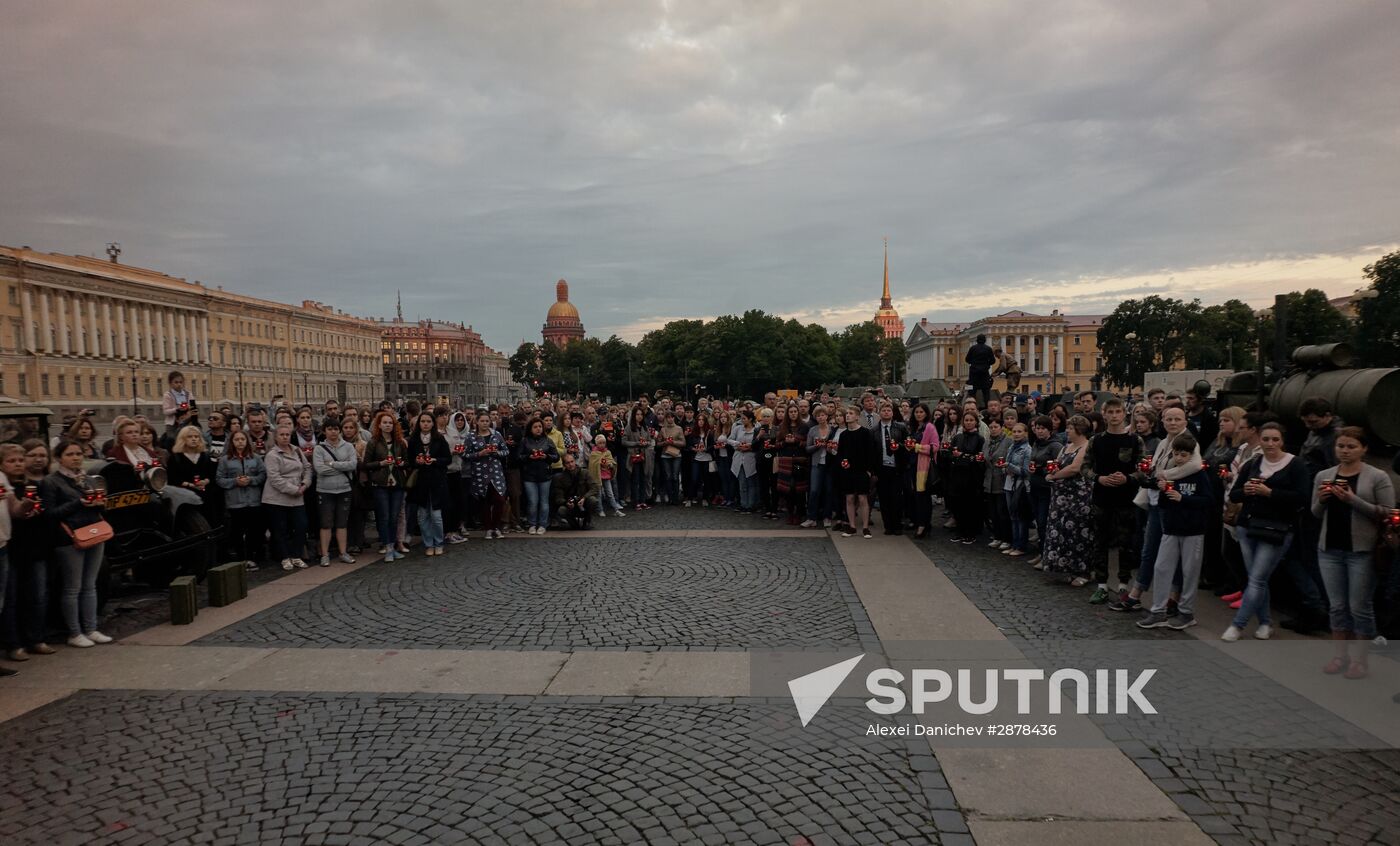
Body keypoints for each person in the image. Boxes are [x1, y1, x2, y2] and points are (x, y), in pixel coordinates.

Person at [1311, 427, 1395, 678]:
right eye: (1341, 446)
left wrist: (1352, 500)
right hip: (1330, 549)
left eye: (1351, 447)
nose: (1345, 451)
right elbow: (1314, 512)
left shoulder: (1377, 476)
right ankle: (1340, 656)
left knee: (1359, 606)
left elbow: (1387, 512)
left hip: (1362, 550)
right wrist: (1323, 499)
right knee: (1337, 606)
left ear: (1364, 449)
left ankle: (1361, 660)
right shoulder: (1324, 475)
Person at [1223, 422, 1310, 642]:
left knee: (1258, 578)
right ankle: (1264, 623)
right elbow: (1234, 494)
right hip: (1248, 526)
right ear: (1260, 440)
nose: (1270, 444)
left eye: (1275, 439)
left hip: (1276, 529)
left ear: (1282, 441)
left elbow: (1301, 498)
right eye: (1266, 439)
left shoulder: (1295, 465)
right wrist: (1248, 491)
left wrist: (1270, 493)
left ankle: (1237, 625)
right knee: (1256, 578)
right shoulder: (1253, 463)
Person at [1136, 433, 1214, 630]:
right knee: (1161, 568)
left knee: (1189, 572)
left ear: (1191, 455)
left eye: (1184, 455)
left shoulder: (1199, 474)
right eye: (1177, 454)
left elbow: (1207, 501)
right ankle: (1158, 610)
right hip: (1171, 528)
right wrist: (1162, 490)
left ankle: (1186, 612)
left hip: (1193, 530)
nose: (1179, 458)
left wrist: (1183, 499)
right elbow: (1163, 503)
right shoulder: (1170, 473)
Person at [42, 439, 112, 648]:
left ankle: (91, 628)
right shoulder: (52, 481)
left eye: (78, 454)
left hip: (93, 532)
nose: (75, 458)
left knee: (90, 585)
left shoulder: (88, 479)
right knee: (73, 587)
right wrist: (78, 502)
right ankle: (74, 632)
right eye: (70, 454)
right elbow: (50, 513)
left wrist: (100, 504)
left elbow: (99, 509)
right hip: (69, 538)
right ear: (59, 458)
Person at [1283, 397, 1343, 635]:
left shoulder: (1334, 438)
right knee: (1301, 557)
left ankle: (1317, 607)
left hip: (1317, 505)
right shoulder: (1317, 433)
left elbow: (1334, 471)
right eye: (1307, 422)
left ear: (1327, 416)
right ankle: (1314, 605)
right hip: (1307, 500)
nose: (1310, 426)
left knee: (1309, 559)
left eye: (1314, 422)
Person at [1084, 398, 1146, 596]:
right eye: (1110, 412)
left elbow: (1144, 469)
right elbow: (1085, 467)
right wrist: (1098, 478)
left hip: (1126, 498)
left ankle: (1123, 583)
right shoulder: (1096, 440)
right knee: (1100, 540)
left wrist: (1128, 478)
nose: (1114, 416)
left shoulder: (1135, 440)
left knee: (1125, 542)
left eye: (1117, 412)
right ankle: (1102, 583)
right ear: (1104, 414)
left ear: (1124, 414)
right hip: (1102, 497)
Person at [1, 442, 51, 667]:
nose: (18, 464)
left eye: (20, 460)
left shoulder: (30, 485)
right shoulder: (4, 483)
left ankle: (36, 638)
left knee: (37, 596)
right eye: (12, 461)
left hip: (30, 547)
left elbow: (20, 511)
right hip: (11, 548)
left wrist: (31, 507)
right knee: (10, 600)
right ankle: (13, 644)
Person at [1042, 415, 1094, 578]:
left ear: (1079, 430)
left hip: (1077, 497)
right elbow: (1057, 463)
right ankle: (1064, 567)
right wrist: (1051, 471)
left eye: (1070, 428)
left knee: (1077, 533)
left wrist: (1054, 476)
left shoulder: (1086, 446)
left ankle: (1081, 570)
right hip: (1060, 497)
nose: (1067, 431)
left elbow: (1075, 468)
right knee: (1061, 531)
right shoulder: (1066, 447)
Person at [263, 424, 312, 572]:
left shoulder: (296, 450)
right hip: (277, 497)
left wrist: (305, 484)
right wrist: (294, 490)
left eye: (287, 434)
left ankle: (296, 555)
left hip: (298, 494)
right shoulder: (272, 455)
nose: (285, 437)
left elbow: (307, 467)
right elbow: (274, 478)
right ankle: (285, 557)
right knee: (280, 529)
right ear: (276, 437)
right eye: (282, 435)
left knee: (301, 525)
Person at [217, 430, 266, 571]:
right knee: (237, 531)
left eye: (242, 439)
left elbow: (262, 475)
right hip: (235, 501)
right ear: (232, 442)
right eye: (237, 439)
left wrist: (251, 480)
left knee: (253, 531)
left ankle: (251, 557)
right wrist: (234, 481)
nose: (240, 442)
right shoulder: (225, 460)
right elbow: (219, 479)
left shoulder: (255, 458)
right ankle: (240, 558)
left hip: (253, 499)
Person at [312, 418, 359, 567]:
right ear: (324, 431)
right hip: (325, 490)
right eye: (330, 429)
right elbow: (320, 469)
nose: (333, 432)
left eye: (336, 429)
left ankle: (343, 552)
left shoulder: (349, 446)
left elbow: (352, 465)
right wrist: (341, 467)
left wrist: (332, 464)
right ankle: (325, 555)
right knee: (326, 523)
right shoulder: (319, 449)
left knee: (341, 523)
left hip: (344, 489)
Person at [363, 411, 408, 560]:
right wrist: (380, 464)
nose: (387, 425)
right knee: (384, 516)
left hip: (397, 483)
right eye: (385, 423)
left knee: (394, 517)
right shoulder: (373, 442)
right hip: (380, 484)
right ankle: (387, 547)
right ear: (379, 425)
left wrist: (402, 463)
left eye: (390, 423)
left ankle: (393, 546)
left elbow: (407, 462)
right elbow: (366, 464)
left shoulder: (399, 442)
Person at [405, 411, 451, 555]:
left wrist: (435, 460)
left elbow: (447, 459)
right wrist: (416, 462)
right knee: (423, 516)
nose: (425, 424)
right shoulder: (413, 440)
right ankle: (428, 543)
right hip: (420, 482)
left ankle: (439, 542)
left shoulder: (439, 439)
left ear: (433, 423)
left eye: (428, 421)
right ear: (419, 424)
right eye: (423, 421)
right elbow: (409, 461)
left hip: (437, 481)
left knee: (436, 516)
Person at [464, 413, 510, 538]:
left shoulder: (496, 434)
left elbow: (506, 450)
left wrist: (497, 453)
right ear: (477, 422)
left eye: (487, 421)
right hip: (479, 472)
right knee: (484, 501)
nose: (485, 423)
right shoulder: (470, 436)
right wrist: (479, 454)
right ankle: (488, 528)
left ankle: (496, 526)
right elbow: (465, 454)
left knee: (499, 499)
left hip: (495, 471)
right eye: (482, 421)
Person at [945, 410, 986, 545]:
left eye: (971, 420)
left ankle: (970, 533)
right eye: (966, 420)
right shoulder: (958, 437)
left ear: (976, 422)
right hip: (957, 475)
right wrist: (956, 456)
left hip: (972, 477)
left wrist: (964, 456)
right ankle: (960, 530)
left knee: (970, 506)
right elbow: (950, 453)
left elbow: (979, 458)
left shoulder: (980, 439)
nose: (968, 423)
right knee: (957, 505)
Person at [834, 408, 876, 538]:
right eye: (847, 413)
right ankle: (852, 526)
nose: (848, 416)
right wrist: (841, 462)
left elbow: (871, 453)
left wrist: (869, 471)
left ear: (857, 417)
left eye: (851, 414)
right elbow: (840, 453)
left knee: (863, 498)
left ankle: (865, 527)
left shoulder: (865, 433)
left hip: (862, 471)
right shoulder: (844, 435)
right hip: (847, 471)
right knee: (849, 498)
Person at [518, 417, 559, 535]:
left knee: (544, 501)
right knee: (532, 501)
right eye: (535, 427)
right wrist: (528, 457)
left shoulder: (548, 440)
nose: (538, 429)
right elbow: (518, 457)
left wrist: (546, 457)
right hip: (529, 475)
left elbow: (556, 456)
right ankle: (532, 524)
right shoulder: (525, 441)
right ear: (530, 429)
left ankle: (542, 524)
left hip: (545, 475)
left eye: (540, 426)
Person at [1002, 422, 1032, 556]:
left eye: (1019, 431)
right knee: (1012, 516)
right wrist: (1004, 468)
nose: (1016, 434)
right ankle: (1014, 543)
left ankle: (1021, 546)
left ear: (1025, 433)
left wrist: (1009, 466)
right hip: (1009, 484)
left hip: (1020, 486)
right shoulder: (1011, 447)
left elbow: (1026, 471)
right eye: (1014, 431)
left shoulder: (1027, 449)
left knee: (1021, 517)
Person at [983, 418, 1011, 549]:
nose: (993, 429)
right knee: (993, 512)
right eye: (991, 427)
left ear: (1001, 427)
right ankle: (997, 536)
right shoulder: (987, 442)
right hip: (989, 481)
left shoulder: (1008, 442)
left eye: (996, 427)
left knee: (1002, 512)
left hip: (1002, 480)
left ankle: (1006, 537)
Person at [552, 453, 597, 530]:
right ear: (564, 465)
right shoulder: (560, 478)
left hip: (584, 502)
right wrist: (566, 502)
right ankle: (573, 523)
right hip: (571, 504)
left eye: (572, 461)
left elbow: (594, 488)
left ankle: (588, 520)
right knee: (561, 510)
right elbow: (558, 497)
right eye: (567, 463)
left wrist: (584, 498)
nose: (571, 464)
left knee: (593, 500)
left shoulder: (585, 472)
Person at [729, 409, 759, 514]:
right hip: (738, 458)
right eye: (741, 418)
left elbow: (757, 444)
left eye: (744, 419)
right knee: (742, 484)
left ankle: (751, 505)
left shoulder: (756, 429)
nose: (742, 420)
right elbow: (730, 439)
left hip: (750, 459)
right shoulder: (737, 428)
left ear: (750, 419)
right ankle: (743, 504)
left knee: (751, 483)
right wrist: (738, 444)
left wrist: (749, 447)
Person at [589, 434, 625, 518]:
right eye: (600, 443)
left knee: (610, 493)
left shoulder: (608, 452)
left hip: (606, 476)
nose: (602, 445)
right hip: (597, 477)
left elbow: (612, 462)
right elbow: (592, 465)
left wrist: (610, 465)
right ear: (596, 444)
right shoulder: (594, 453)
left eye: (603, 443)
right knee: (599, 494)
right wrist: (599, 463)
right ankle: (600, 510)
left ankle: (616, 509)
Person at [161, 370, 198, 442]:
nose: (179, 384)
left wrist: (189, 408)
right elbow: (166, 411)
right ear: (170, 383)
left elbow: (193, 407)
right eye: (176, 382)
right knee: (173, 441)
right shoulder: (168, 395)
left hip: (187, 421)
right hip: (173, 424)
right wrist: (177, 409)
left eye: (181, 382)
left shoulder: (188, 394)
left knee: (187, 441)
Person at [965, 334, 995, 409]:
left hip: (974, 373)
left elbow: (967, 359)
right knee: (986, 391)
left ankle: (972, 406)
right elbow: (993, 360)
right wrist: (986, 364)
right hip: (984, 372)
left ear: (977, 340)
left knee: (972, 391)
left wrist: (974, 363)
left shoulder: (973, 348)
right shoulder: (988, 349)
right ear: (985, 340)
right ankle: (987, 408)